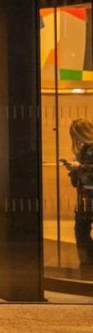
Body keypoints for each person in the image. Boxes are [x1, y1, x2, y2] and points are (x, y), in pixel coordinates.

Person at [64, 119, 93, 280]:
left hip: (89, 196)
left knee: (81, 230)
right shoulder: (84, 150)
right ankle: (87, 262)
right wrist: (73, 169)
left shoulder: (89, 149)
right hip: (85, 196)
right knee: (81, 229)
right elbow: (78, 180)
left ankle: (88, 263)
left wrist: (78, 167)